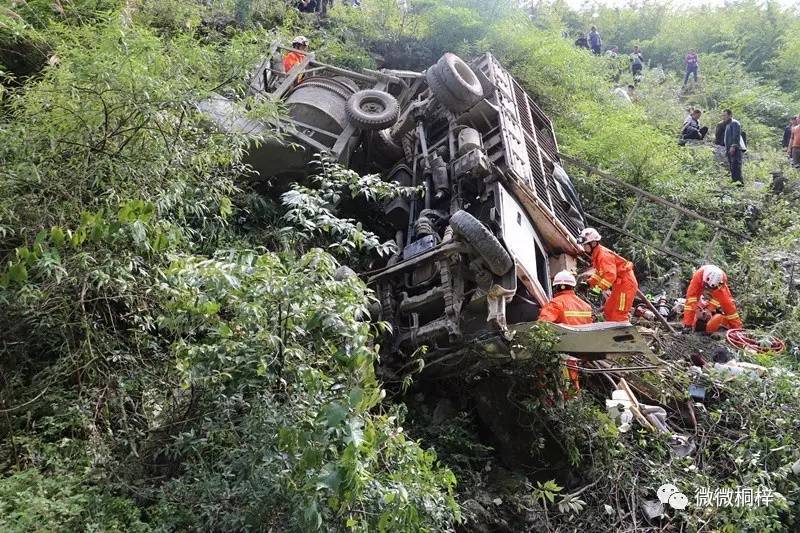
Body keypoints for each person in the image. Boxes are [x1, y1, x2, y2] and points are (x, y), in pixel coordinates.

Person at [577, 228, 638, 322]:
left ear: (593, 243)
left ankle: (622, 334)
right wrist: (589, 283)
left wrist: (598, 289)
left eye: (585, 245)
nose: (583, 247)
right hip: (619, 284)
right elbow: (600, 273)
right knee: (609, 310)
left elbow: (610, 275)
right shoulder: (597, 254)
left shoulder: (603, 256)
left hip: (626, 285)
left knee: (619, 313)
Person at [682, 265, 742, 333]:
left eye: (711, 289)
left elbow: (718, 297)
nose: (709, 290)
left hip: (718, 286)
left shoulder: (722, 280)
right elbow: (691, 298)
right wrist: (696, 309)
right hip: (700, 279)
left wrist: (710, 309)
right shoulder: (698, 276)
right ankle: (688, 326)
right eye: (708, 288)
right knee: (690, 302)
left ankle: (737, 329)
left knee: (728, 305)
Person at [722, 109, 744, 184]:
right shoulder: (728, 124)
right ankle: (734, 182)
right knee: (732, 166)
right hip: (729, 148)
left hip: (734, 148)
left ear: (730, 115)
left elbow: (736, 135)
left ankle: (739, 183)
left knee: (736, 166)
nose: (723, 117)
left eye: (725, 115)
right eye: (723, 115)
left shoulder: (735, 123)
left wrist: (733, 146)